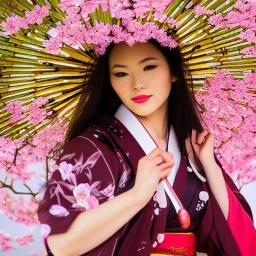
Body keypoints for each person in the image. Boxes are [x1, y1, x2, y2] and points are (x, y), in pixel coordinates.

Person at [38, 39, 256, 256]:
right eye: (121, 74)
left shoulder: (191, 148)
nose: (137, 84)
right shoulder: (91, 148)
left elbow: (243, 239)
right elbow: (61, 246)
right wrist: (137, 196)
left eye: (149, 67)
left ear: (174, 71)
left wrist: (210, 167)